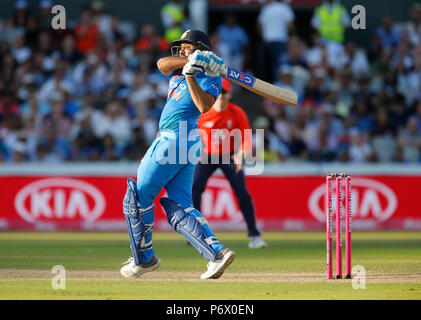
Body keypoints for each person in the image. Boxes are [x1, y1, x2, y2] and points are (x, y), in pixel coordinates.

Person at [120, 30, 235, 280]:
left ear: (201, 48)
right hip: (186, 143)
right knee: (182, 204)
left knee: (138, 197)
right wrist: (191, 62)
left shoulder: (212, 77)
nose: (181, 51)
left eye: (186, 47)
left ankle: (144, 258)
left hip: (176, 137)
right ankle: (217, 254)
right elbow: (162, 63)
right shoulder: (177, 68)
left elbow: (204, 106)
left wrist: (194, 73)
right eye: (180, 47)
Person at [192, 78, 267, 249]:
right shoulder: (203, 113)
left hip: (231, 155)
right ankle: (196, 233)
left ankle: (254, 235)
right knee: (195, 187)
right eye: (218, 92)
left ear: (229, 95)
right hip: (208, 155)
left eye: (224, 93)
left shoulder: (237, 113)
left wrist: (240, 155)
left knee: (242, 192)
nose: (221, 96)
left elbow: (246, 139)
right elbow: (192, 134)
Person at [257, 0, 295, 83]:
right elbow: (290, 25)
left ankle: (273, 84)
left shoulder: (267, 8)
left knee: (271, 65)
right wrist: (292, 36)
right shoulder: (285, 8)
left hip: (268, 41)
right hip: (280, 40)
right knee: (280, 64)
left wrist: (263, 37)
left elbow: (260, 24)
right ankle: (278, 84)